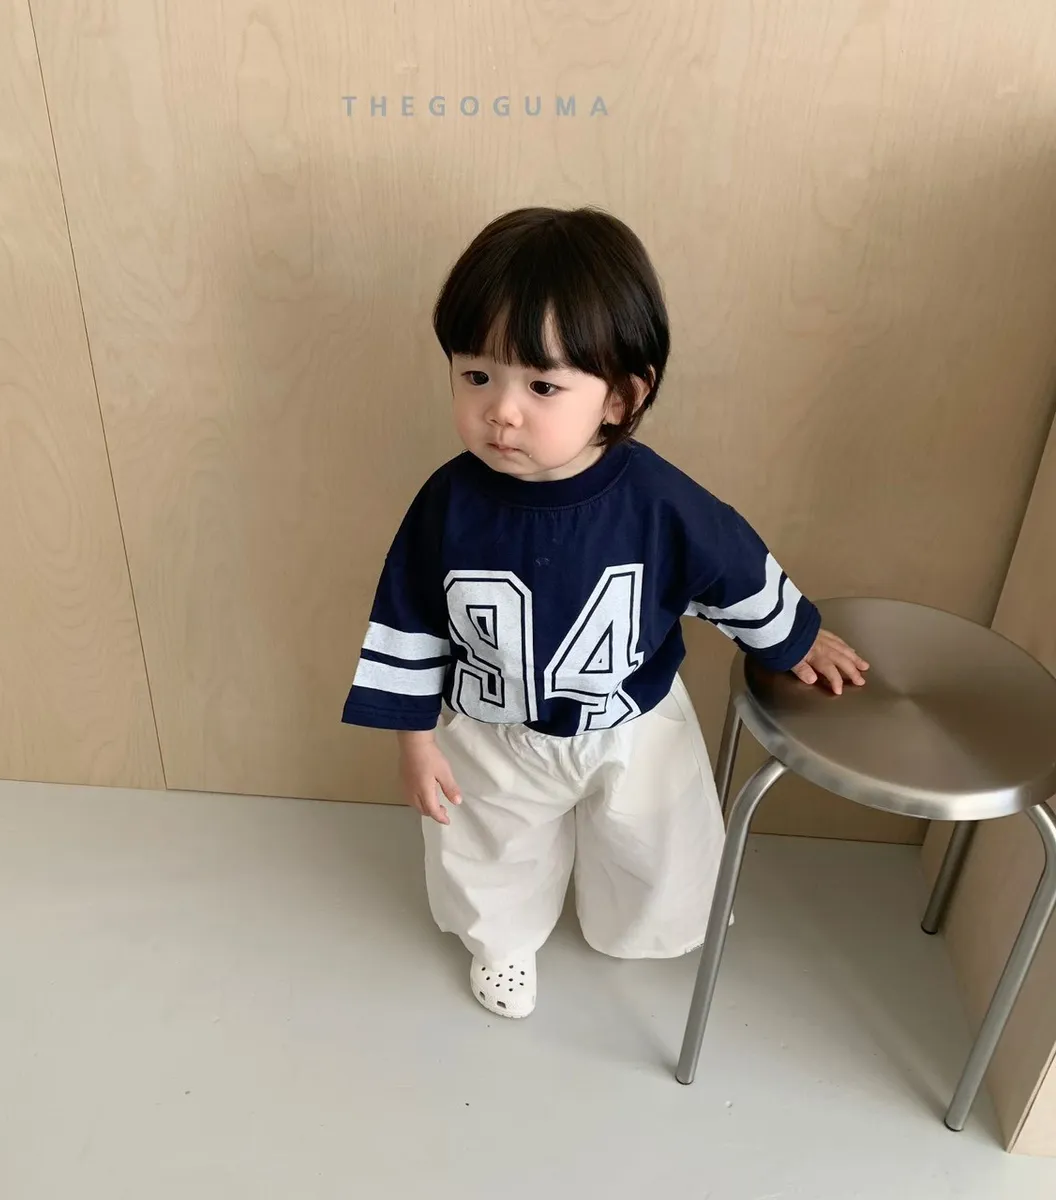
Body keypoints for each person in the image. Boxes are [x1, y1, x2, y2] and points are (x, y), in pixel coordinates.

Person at [342, 207, 867, 1018]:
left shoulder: (656, 501)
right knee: (486, 844)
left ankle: (646, 926)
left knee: (660, 836)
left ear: (621, 396)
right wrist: (414, 740)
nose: (502, 410)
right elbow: (407, 618)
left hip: (632, 720)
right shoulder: (447, 505)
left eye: (541, 386)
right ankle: (502, 940)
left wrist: (792, 637)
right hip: (493, 729)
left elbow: (729, 566)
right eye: (476, 376)